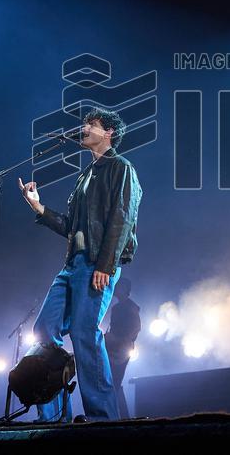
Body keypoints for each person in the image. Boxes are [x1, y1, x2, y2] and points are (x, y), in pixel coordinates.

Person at [18, 107, 141, 421]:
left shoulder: (120, 168)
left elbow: (122, 218)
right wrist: (39, 207)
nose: (84, 127)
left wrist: (106, 264)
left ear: (109, 133)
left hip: (97, 264)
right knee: (44, 329)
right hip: (72, 264)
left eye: (93, 124)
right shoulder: (85, 176)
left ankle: (102, 417)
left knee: (85, 330)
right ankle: (55, 415)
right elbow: (70, 226)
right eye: (85, 123)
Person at [104, 277, 141, 418]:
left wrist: (119, 340)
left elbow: (135, 328)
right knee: (113, 384)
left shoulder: (130, 307)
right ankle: (118, 415)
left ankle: (119, 416)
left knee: (114, 383)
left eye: (119, 287)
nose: (116, 289)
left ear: (125, 289)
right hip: (115, 348)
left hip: (121, 350)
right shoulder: (117, 308)